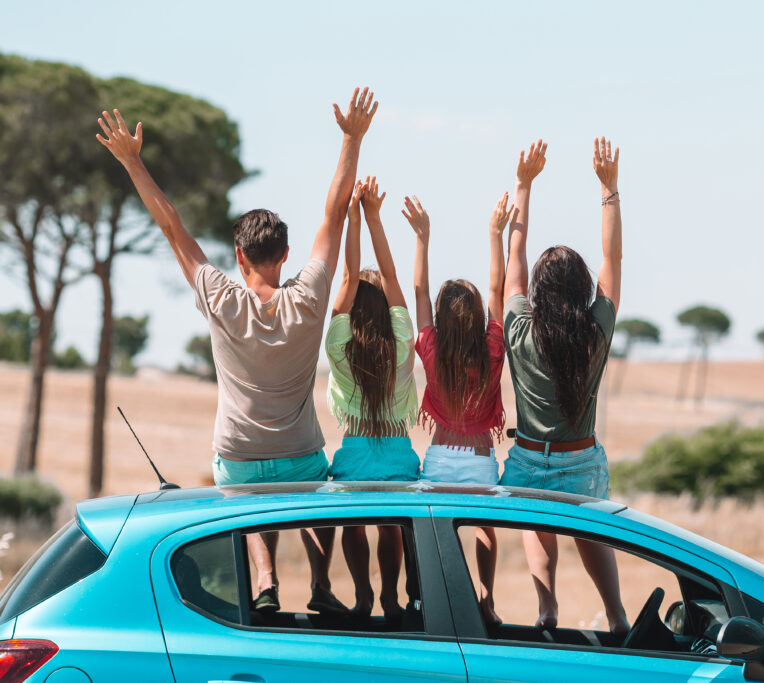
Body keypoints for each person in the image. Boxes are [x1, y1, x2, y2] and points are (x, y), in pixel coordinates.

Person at [95, 88, 378, 617]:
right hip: (300, 458)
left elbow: (171, 225)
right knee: (318, 487)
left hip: (239, 458)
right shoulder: (309, 296)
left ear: (239, 255)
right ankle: (320, 583)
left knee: (246, 501)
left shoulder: (219, 297)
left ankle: (266, 579)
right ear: (286, 254)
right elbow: (335, 212)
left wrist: (133, 162)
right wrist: (352, 139)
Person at [500, 137, 628, 634]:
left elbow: (515, 249)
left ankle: (547, 608)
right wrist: (609, 189)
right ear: (582, 289)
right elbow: (612, 259)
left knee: (537, 523)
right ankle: (616, 616)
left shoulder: (519, 329)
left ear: (536, 291)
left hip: (530, 457)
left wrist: (522, 185)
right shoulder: (595, 331)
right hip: (582, 457)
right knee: (592, 533)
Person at [403, 192, 514, 624]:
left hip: (440, 457)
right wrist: (495, 233)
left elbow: (419, 289)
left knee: (434, 535)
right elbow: (496, 289)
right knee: (483, 529)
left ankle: (439, 607)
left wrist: (422, 239)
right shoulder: (491, 348)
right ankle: (485, 601)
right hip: (481, 459)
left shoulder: (431, 349)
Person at [325, 176, 418, 621]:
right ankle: (391, 598)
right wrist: (376, 216)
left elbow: (348, 275)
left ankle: (362, 596)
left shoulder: (338, 346)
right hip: (399, 451)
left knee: (352, 521)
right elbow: (393, 275)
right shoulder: (403, 341)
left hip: (356, 450)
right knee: (392, 525)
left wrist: (354, 218)